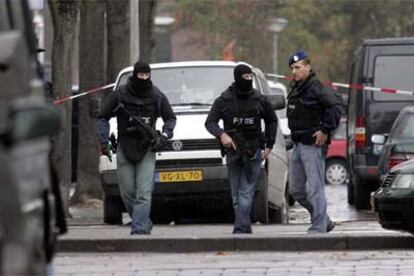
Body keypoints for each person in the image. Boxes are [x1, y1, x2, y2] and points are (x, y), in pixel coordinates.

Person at [96, 61, 176, 235]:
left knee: (144, 191)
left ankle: (139, 228)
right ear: (135, 74)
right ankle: (143, 221)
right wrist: (103, 141)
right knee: (127, 192)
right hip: (124, 145)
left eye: (147, 75)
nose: (144, 78)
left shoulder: (156, 95)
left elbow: (170, 118)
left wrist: (165, 135)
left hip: (147, 147)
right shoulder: (119, 94)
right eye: (141, 75)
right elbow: (102, 117)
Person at [205, 63, 277, 234]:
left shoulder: (259, 99)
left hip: (253, 151)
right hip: (233, 151)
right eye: (245, 77)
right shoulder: (224, 99)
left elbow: (272, 121)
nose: (248, 80)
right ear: (237, 78)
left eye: (250, 77)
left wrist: (269, 145)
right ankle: (244, 227)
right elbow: (210, 122)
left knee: (246, 192)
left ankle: (239, 228)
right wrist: (222, 135)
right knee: (236, 194)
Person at [286, 50, 342, 234]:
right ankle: (324, 220)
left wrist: (325, 130)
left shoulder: (316, 87)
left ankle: (318, 226)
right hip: (298, 145)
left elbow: (335, 107)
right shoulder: (296, 88)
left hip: (312, 146)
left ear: (308, 67)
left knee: (315, 188)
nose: (294, 71)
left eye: (298, 67)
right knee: (295, 190)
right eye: (292, 68)